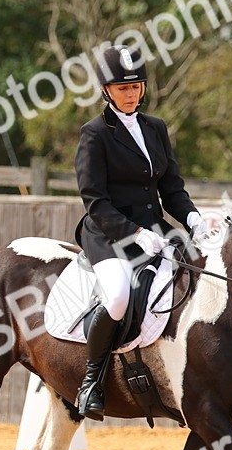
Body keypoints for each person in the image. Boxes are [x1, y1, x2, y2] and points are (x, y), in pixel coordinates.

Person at [72, 44, 218, 420]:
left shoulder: (155, 128)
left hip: (156, 229)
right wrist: (134, 233)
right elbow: (95, 201)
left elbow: (171, 188)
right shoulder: (94, 135)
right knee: (119, 297)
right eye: (123, 88)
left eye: (136, 86)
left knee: (202, 268)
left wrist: (193, 220)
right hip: (108, 233)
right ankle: (92, 380)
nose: (131, 93)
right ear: (106, 90)